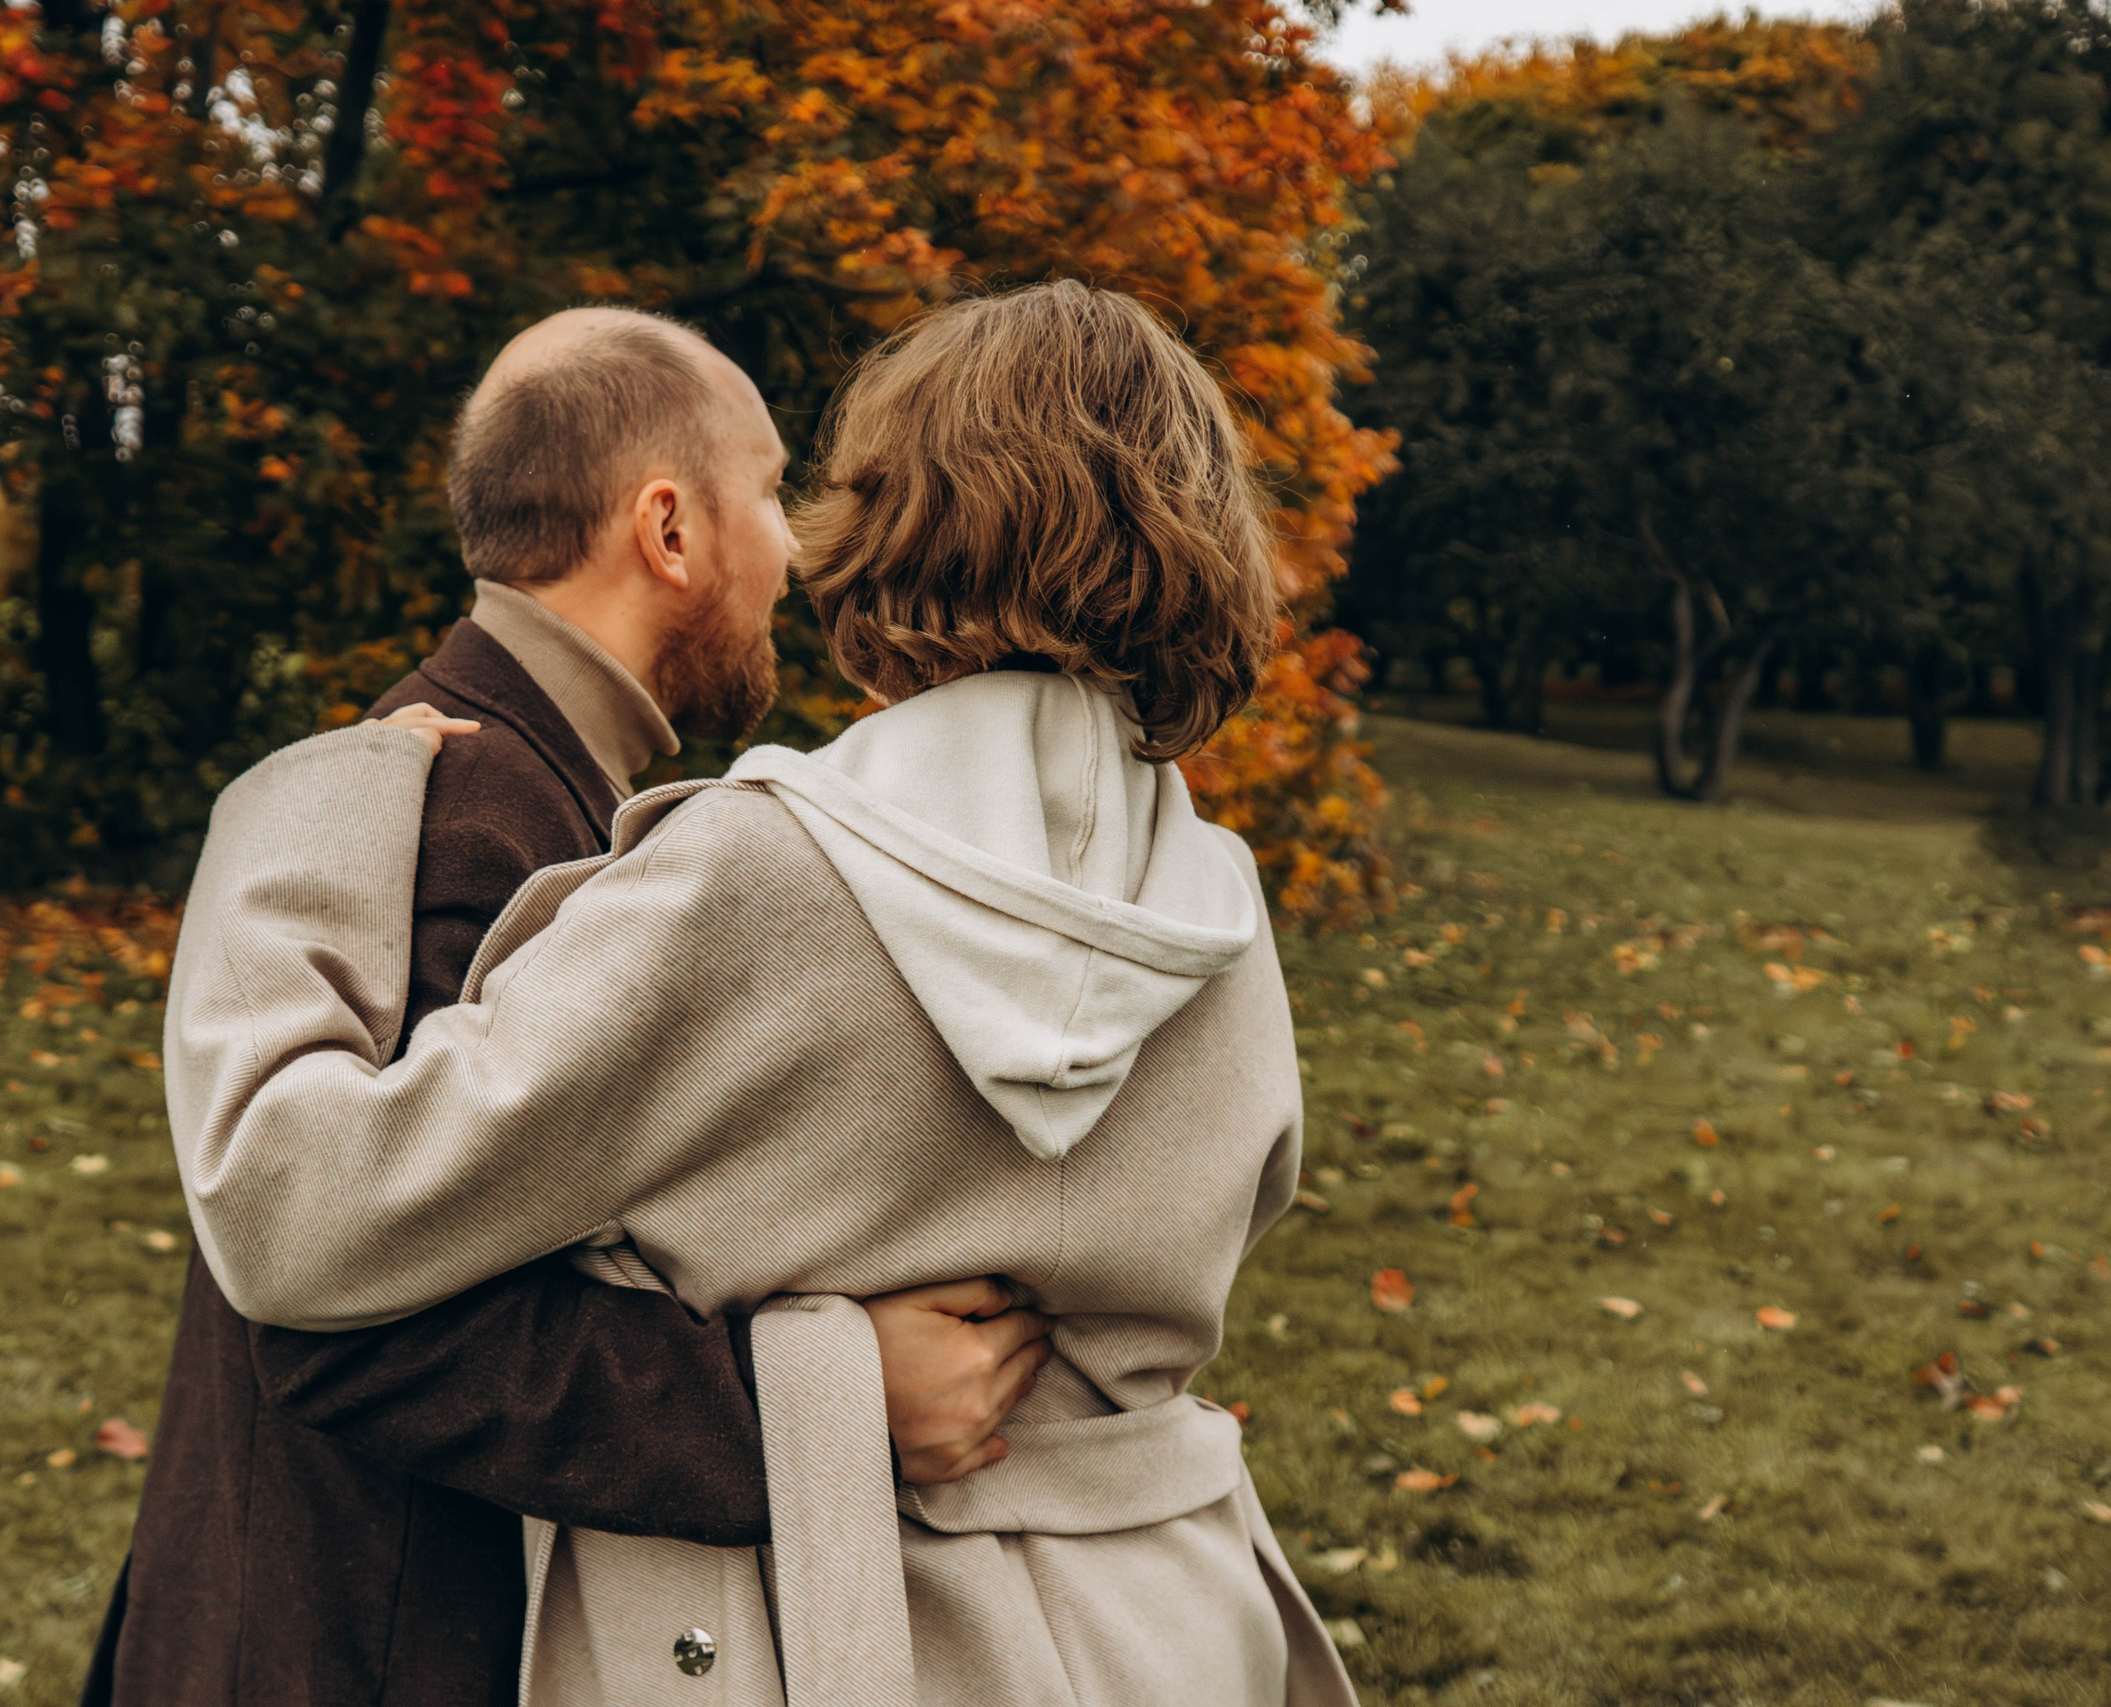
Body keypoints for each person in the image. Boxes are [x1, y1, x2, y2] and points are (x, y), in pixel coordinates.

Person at [165, 282, 1359, 1705]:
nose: (791, 543)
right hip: (1173, 1622)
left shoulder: (755, 874)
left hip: (846, 1638)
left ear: (898, 513)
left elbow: (305, 1213)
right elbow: (1252, 1194)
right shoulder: (1222, 912)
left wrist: (285, 815)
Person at [85, 308, 1052, 1707]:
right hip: (371, 1655)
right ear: (668, 529)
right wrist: (828, 1415)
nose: (794, 550)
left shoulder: (488, 770)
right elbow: (338, 1327)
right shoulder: (485, 823)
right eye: (770, 492)